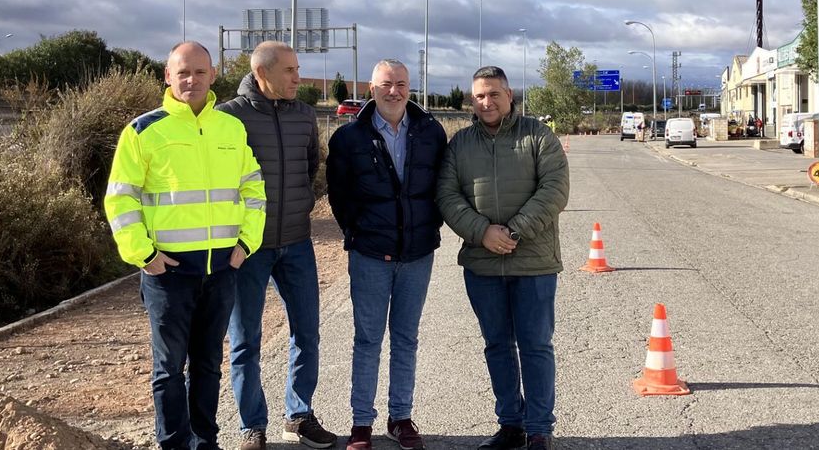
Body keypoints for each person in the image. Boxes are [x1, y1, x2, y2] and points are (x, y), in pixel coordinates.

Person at [104, 41, 265, 450]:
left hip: (222, 268)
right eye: (182, 73)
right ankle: (174, 443)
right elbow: (121, 199)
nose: (191, 79)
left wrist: (246, 243)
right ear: (168, 77)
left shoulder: (230, 128)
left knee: (208, 364)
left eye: (199, 72)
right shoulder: (144, 130)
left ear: (213, 75)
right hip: (168, 271)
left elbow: (253, 190)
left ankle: (205, 441)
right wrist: (144, 254)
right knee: (169, 368)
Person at [436, 66, 570, 450]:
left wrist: (511, 232)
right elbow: (447, 196)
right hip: (482, 265)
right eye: (479, 95)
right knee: (496, 345)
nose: (487, 101)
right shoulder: (459, 145)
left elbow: (555, 190)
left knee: (535, 346)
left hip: (534, 264)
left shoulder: (539, 137)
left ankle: (540, 428)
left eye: (494, 94)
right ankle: (510, 425)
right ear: (472, 100)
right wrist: (482, 233)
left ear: (509, 96)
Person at [216, 41, 336, 450]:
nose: (298, 78)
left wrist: (301, 204)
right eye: (290, 70)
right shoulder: (228, 117)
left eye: (298, 69)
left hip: (297, 242)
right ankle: (252, 426)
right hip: (246, 248)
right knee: (246, 338)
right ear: (262, 72)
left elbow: (310, 166)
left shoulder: (304, 115)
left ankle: (298, 416)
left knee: (307, 332)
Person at [327, 59, 447, 450]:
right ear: (371, 88)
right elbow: (339, 196)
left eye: (400, 83)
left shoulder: (431, 132)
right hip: (369, 255)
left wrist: (428, 229)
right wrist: (358, 233)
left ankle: (401, 418)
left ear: (409, 87)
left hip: (417, 254)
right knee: (367, 340)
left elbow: (440, 189)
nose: (393, 91)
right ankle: (362, 423)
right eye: (385, 84)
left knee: (406, 338)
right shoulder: (349, 138)